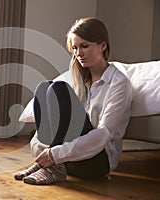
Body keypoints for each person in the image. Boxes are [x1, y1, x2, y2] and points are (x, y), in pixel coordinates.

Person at [14, 17, 132, 185]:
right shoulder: (80, 79)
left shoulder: (119, 83)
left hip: (95, 162)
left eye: (84, 46)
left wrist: (54, 155)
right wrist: (41, 150)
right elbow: (56, 126)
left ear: (103, 46)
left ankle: (53, 166)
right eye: (75, 48)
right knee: (44, 87)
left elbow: (103, 134)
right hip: (68, 157)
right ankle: (49, 167)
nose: (78, 53)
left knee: (58, 89)